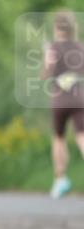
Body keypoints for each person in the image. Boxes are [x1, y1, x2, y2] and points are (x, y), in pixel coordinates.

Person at [44, 11, 84, 199]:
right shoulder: (80, 47)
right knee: (82, 137)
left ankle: (60, 179)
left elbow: (47, 72)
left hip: (60, 98)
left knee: (59, 138)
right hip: (79, 97)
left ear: (57, 27)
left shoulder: (52, 47)